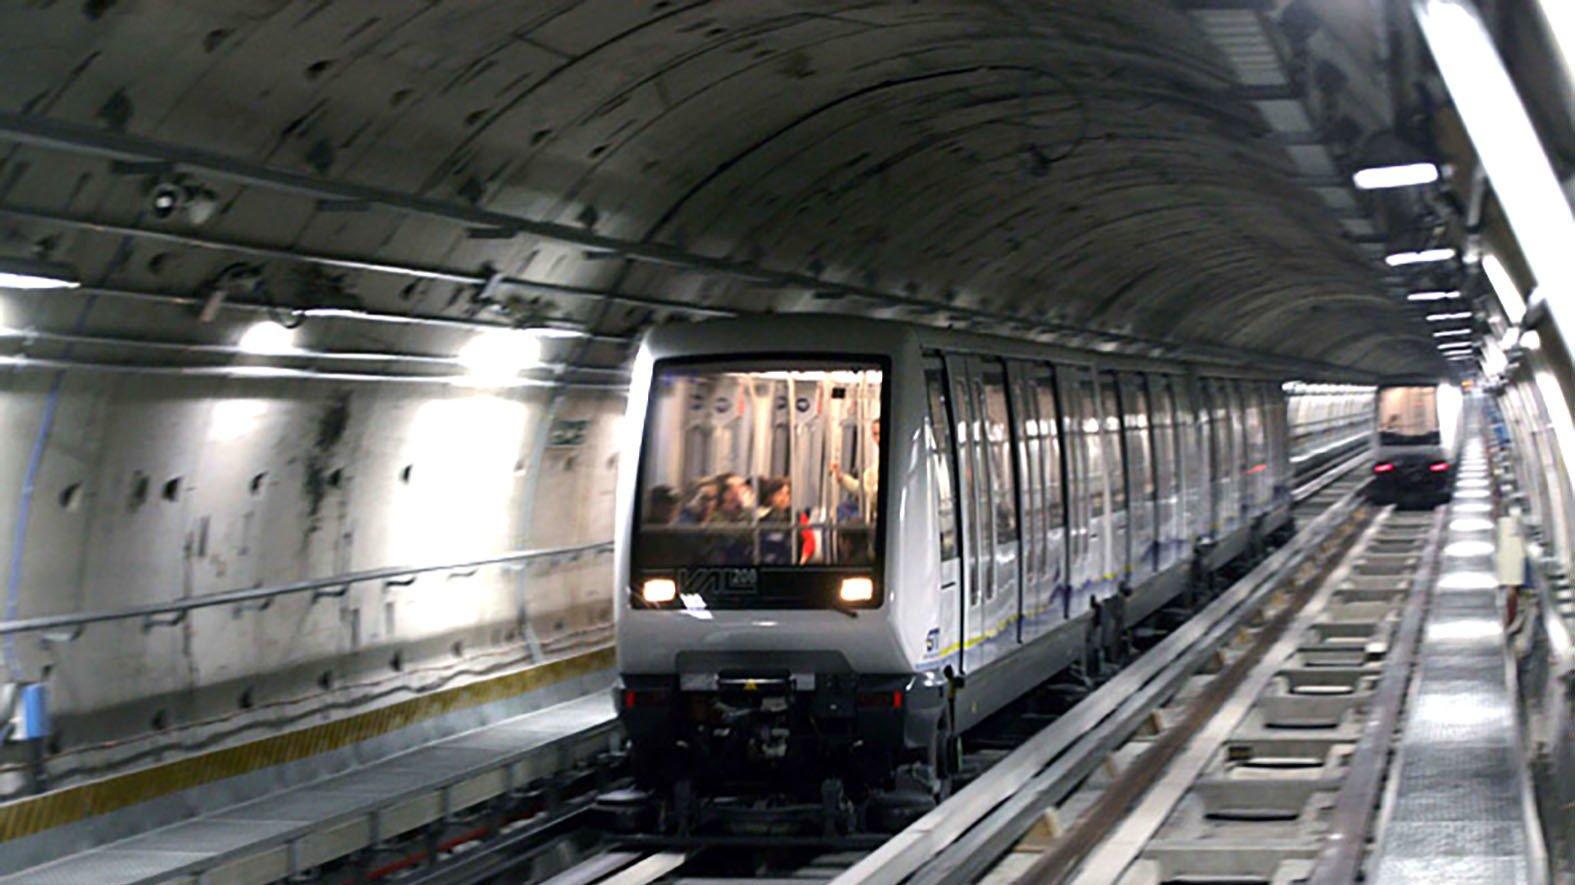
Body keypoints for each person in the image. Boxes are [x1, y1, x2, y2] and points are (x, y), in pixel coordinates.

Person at [830, 419, 880, 517]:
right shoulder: (875, 467)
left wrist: (866, 493)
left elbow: (871, 494)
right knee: (839, 510)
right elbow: (859, 487)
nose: (878, 438)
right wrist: (841, 477)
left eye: (879, 433)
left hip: (874, 512)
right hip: (868, 508)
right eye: (875, 434)